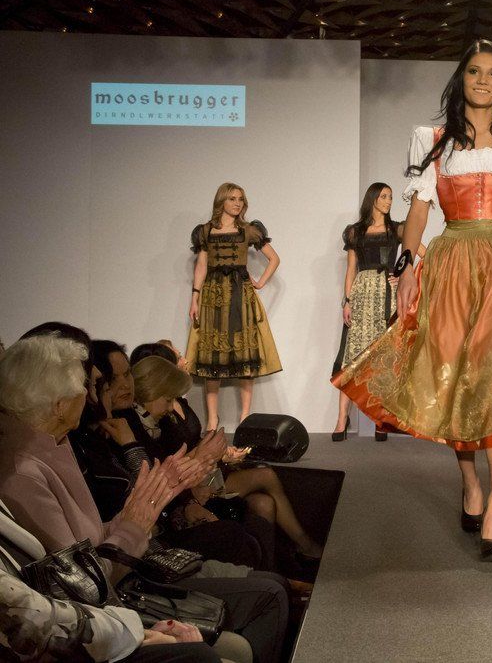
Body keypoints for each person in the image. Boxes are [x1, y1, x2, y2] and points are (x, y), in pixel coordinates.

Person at [333, 39, 492, 562]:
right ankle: (470, 482)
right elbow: (419, 212)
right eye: (474, 71)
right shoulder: (432, 141)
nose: (483, 80)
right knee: (456, 378)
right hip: (452, 264)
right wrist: (407, 267)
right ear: (461, 79)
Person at [0, 335, 289, 663]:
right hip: (112, 605)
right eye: (87, 385)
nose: (91, 394)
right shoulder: (25, 471)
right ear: (59, 404)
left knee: (262, 589)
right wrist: (138, 520)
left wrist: (142, 511)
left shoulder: (53, 447)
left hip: (126, 583)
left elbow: (94, 542)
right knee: (254, 607)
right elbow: (83, 585)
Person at [128, 350, 323, 570]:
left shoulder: (161, 418)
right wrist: (199, 463)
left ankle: (270, 572)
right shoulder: (139, 427)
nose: (184, 360)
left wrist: (216, 454)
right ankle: (301, 548)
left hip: (197, 482)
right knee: (265, 476)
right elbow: (159, 474)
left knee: (263, 502)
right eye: (167, 399)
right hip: (187, 495)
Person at [0, 499, 250, 663]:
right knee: (204, 653)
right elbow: (37, 614)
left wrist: (135, 521)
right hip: (82, 619)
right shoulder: (23, 470)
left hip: (102, 604)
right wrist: (136, 632)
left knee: (232, 646)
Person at [186, 182, 282, 432]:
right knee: (212, 357)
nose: (237, 203)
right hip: (213, 296)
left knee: (244, 354)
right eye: (232, 199)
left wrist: (260, 282)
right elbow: (201, 266)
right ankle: (212, 419)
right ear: (221, 201)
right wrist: (195, 297)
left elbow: (274, 258)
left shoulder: (248, 230)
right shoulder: (205, 231)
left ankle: (245, 417)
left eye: (240, 199)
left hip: (240, 294)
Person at [331, 183, 423, 441]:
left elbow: (421, 253)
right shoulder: (355, 232)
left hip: (387, 295)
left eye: (390, 197)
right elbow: (350, 270)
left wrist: (403, 274)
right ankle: (341, 420)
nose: (389, 201)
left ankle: (381, 419)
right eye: (384, 196)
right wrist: (347, 301)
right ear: (372, 199)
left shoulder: (397, 229)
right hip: (362, 294)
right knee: (353, 357)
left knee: (383, 357)